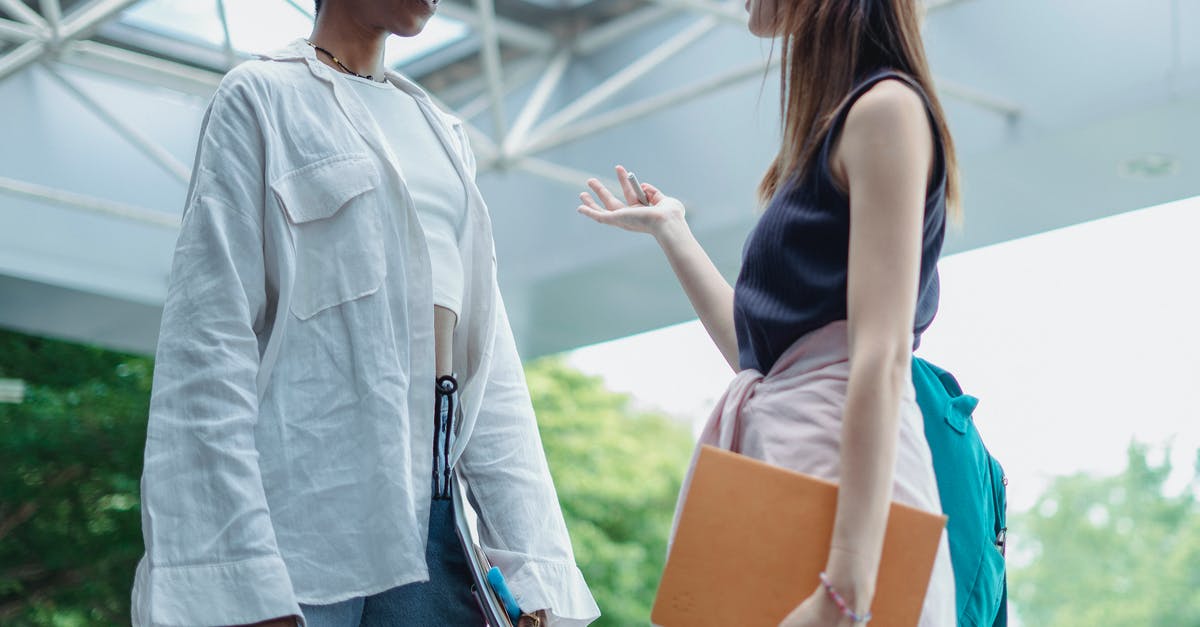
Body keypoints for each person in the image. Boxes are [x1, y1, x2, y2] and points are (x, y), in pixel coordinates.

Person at [131, 0, 600, 625]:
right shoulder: (262, 97)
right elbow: (208, 345)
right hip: (297, 522)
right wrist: (240, 577)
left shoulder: (443, 134)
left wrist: (534, 566)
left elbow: (491, 368)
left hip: (436, 517)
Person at [577, 0, 960, 624]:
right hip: (794, 479)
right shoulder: (839, 128)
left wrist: (845, 590)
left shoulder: (886, 109)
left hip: (842, 500)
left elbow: (881, 354)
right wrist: (672, 230)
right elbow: (761, 361)